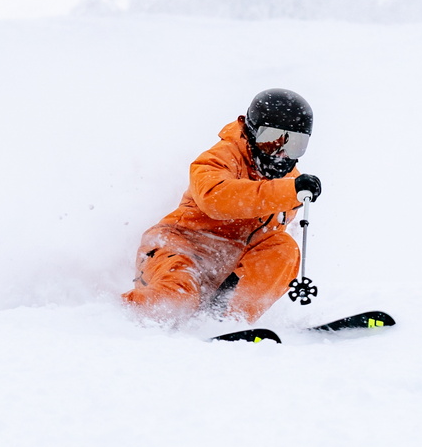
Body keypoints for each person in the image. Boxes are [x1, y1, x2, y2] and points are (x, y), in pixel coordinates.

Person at [122, 88, 322, 323]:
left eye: (295, 144)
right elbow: (216, 199)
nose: (281, 154)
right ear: (251, 132)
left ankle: (226, 319)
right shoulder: (221, 157)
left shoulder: (290, 183)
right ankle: (118, 317)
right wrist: (288, 191)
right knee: (176, 300)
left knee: (283, 247)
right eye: (271, 140)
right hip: (179, 248)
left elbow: (267, 241)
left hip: (226, 268)